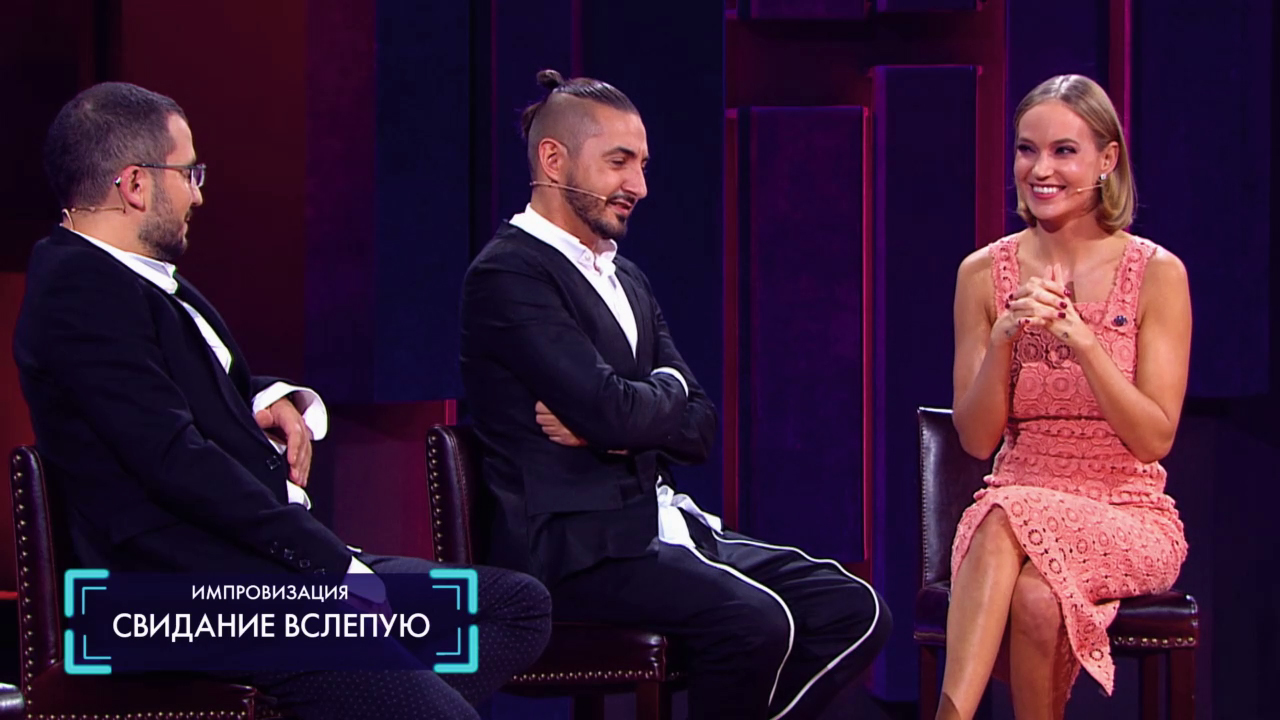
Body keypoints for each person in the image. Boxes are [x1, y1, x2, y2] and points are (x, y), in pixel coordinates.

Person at [15, 81, 551, 720]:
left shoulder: (131, 281)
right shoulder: (78, 293)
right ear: (134, 184)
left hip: (252, 577)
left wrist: (269, 397)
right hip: (175, 602)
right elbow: (172, 458)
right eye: (188, 174)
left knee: (516, 607)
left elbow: (180, 385)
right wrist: (328, 564)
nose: (198, 194)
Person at [459, 69, 891, 720]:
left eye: (642, 165)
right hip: (571, 554)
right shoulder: (509, 273)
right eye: (619, 162)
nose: (639, 186)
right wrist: (642, 404)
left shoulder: (627, 277)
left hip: (660, 525)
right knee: (755, 622)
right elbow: (614, 410)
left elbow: (699, 426)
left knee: (853, 608)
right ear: (553, 159)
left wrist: (627, 413)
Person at [944, 74, 1191, 720]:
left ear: (1107, 160)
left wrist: (1083, 342)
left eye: (1064, 151)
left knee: (1005, 515)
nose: (1041, 170)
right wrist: (1003, 339)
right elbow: (976, 440)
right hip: (1014, 498)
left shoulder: (1157, 274)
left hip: (1126, 511)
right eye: (1027, 150)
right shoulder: (981, 274)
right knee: (1032, 590)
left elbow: (1154, 438)